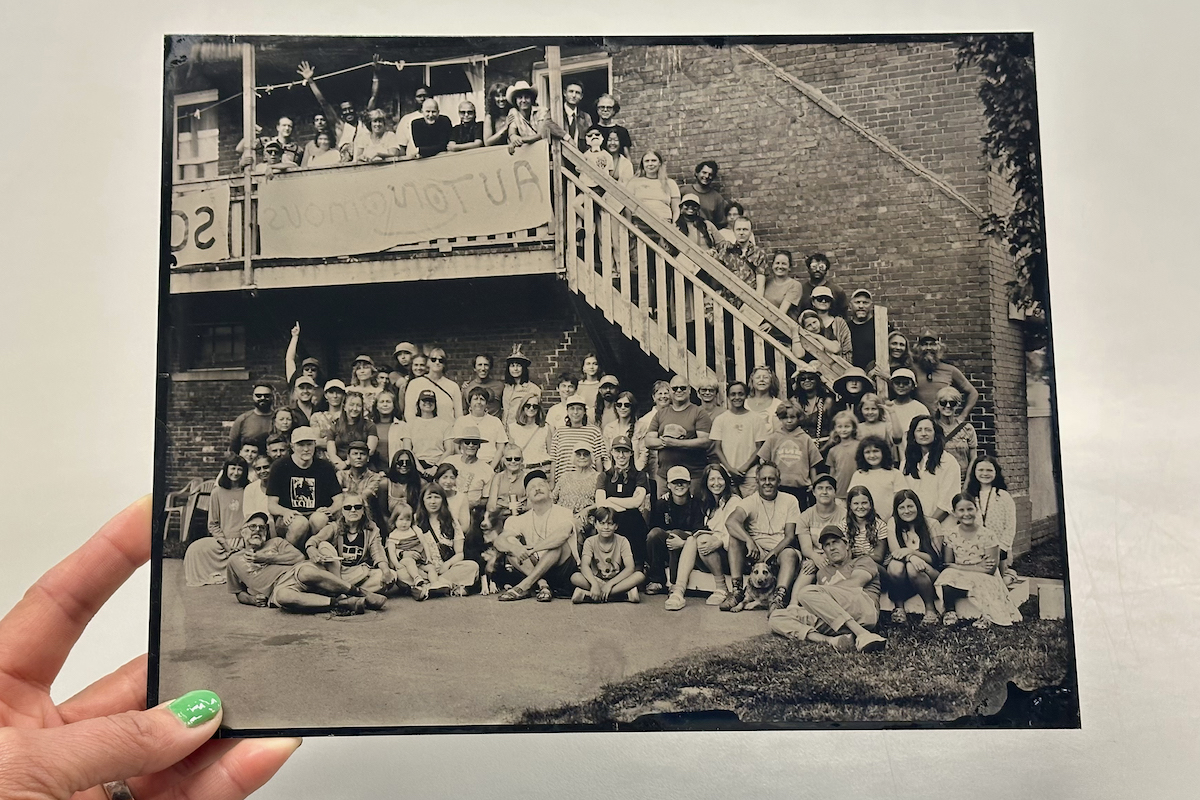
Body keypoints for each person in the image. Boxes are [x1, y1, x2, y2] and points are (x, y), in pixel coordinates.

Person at [0, 497, 302, 799]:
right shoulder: (237, 550)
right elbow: (236, 587)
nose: (257, 531)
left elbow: (293, 558)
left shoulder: (278, 546)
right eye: (253, 527)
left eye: (261, 528)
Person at [768, 525, 887, 653]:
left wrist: (822, 594)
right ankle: (831, 640)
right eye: (827, 545)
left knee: (806, 592)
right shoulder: (822, 573)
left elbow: (855, 583)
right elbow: (824, 604)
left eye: (835, 542)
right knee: (776, 617)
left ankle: (863, 634)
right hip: (834, 620)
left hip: (864, 609)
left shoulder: (862, 561)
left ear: (846, 544)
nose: (832, 547)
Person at [721, 462, 802, 612]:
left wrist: (774, 552)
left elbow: (790, 536)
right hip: (756, 551)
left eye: (771, 479)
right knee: (734, 538)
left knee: (790, 553)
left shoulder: (790, 500)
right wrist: (749, 541)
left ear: (779, 480)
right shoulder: (750, 501)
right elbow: (731, 522)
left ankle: (778, 598)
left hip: (780, 550)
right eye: (763, 479)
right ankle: (738, 591)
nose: (767, 483)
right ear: (757, 481)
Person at [935, 493, 1022, 627]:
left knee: (983, 581)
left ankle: (987, 615)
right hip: (962, 575)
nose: (966, 514)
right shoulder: (951, 534)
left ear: (977, 509)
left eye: (970, 509)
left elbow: (990, 569)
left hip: (984, 576)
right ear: (954, 512)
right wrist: (976, 565)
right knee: (947, 576)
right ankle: (950, 611)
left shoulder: (988, 535)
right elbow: (948, 564)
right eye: (961, 510)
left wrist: (959, 566)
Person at [495, 470, 579, 602]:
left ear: (549, 489)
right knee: (510, 543)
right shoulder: (520, 519)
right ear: (527, 495)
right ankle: (542, 584)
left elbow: (562, 535)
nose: (537, 489)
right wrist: (514, 548)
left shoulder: (564, 512)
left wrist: (533, 549)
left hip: (561, 571)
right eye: (532, 487)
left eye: (541, 485)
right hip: (534, 567)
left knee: (557, 546)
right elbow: (499, 541)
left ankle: (524, 586)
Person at [665, 464, 740, 610]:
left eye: (720, 479)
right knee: (693, 539)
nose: (716, 483)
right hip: (706, 552)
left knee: (701, 539)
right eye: (712, 479)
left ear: (726, 480)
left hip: (729, 555)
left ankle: (721, 587)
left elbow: (738, 534)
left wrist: (718, 542)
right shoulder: (707, 503)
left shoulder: (734, 502)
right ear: (706, 482)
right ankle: (678, 592)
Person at [305, 493, 396, 597]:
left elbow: (378, 553)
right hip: (336, 572)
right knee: (324, 546)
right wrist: (310, 548)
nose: (353, 510)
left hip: (357, 573)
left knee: (392, 574)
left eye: (357, 507)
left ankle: (344, 592)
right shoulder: (334, 527)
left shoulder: (372, 530)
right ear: (342, 511)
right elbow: (314, 540)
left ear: (363, 511)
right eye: (348, 507)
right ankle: (345, 590)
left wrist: (386, 571)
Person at [266, 426, 343, 548]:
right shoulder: (280, 467)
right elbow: (272, 505)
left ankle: (319, 556)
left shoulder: (325, 467)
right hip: (290, 517)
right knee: (300, 523)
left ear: (315, 444)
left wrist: (330, 510)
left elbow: (339, 499)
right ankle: (290, 557)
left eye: (309, 444)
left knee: (320, 519)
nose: (306, 449)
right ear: (292, 447)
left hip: (315, 514)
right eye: (301, 445)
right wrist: (285, 512)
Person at [183, 455, 248, 587]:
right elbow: (213, 524)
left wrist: (245, 540)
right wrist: (226, 545)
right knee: (194, 549)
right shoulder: (217, 492)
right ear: (226, 469)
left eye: (239, 469)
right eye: (232, 468)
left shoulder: (249, 490)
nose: (235, 473)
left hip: (245, 540)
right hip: (223, 541)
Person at [297, 57, 380, 159]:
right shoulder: (340, 126)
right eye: (345, 110)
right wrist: (310, 81)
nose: (348, 112)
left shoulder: (364, 124)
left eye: (350, 109)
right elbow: (324, 103)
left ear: (355, 111)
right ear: (341, 114)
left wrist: (376, 74)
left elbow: (373, 97)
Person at [646, 373, 712, 497]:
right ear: (670, 391)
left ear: (689, 390)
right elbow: (649, 441)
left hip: (693, 477)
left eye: (682, 388)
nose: (679, 391)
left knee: (693, 512)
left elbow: (705, 441)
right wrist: (668, 442)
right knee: (664, 511)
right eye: (675, 388)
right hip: (665, 477)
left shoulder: (699, 412)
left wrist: (676, 443)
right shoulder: (661, 414)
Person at [885, 489, 944, 625]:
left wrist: (911, 553)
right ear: (896, 510)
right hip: (904, 576)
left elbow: (935, 559)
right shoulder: (893, 523)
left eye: (910, 506)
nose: (907, 511)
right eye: (902, 507)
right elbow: (896, 552)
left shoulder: (932, 524)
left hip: (929, 574)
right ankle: (899, 607)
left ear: (917, 506)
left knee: (913, 568)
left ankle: (930, 609)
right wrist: (911, 557)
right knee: (895, 566)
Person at [645, 466, 706, 596]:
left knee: (676, 533)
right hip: (667, 544)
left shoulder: (697, 503)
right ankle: (656, 579)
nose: (679, 485)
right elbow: (655, 528)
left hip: (689, 546)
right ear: (668, 485)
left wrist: (683, 540)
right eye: (675, 482)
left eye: (683, 482)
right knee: (654, 534)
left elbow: (699, 531)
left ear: (689, 484)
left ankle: (674, 583)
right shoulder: (662, 503)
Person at [593, 435, 650, 572]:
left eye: (625, 451)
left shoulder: (639, 475)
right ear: (612, 452)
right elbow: (601, 503)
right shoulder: (604, 476)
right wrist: (625, 503)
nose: (621, 455)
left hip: (632, 523)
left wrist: (611, 500)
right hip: (610, 522)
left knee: (631, 518)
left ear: (631, 453)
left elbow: (636, 502)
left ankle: (636, 567)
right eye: (617, 451)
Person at [755, 399, 824, 508]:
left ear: (799, 418)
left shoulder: (805, 438)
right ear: (780, 418)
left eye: (792, 417)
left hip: (800, 487)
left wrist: (813, 484)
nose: (789, 421)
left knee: (799, 515)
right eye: (785, 418)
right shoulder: (774, 438)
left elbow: (813, 464)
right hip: (778, 486)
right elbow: (764, 462)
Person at [415, 483, 480, 596]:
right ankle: (441, 586)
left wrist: (447, 564)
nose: (433, 502)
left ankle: (431, 587)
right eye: (429, 497)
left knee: (472, 566)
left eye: (437, 497)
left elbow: (460, 553)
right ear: (423, 501)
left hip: (446, 570)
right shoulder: (415, 520)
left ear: (443, 500)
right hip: (424, 570)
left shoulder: (451, 521)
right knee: (405, 573)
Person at [571, 505, 645, 603]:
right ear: (595, 525)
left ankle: (589, 595)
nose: (606, 527)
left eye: (610, 524)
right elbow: (585, 565)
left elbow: (630, 568)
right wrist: (594, 584)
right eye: (602, 523)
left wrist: (609, 584)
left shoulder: (622, 541)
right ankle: (623, 595)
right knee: (575, 577)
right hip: (596, 579)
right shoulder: (590, 541)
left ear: (616, 526)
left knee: (639, 576)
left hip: (617, 581)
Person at [709, 380, 769, 498]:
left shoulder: (756, 419)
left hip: (750, 475)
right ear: (728, 396)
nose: (737, 397)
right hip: (727, 474)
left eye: (740, 394)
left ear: (746, 395)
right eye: (733, 394)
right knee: (730, 509)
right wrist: (730, 469)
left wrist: (743, 469)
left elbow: (760, 448)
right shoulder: (720, 419)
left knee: (750, 509)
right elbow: (717, 448)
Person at [965, 454, 1019, 583]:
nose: (985, 473)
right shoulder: (969, 496)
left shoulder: (1003, 496)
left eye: (989, 470)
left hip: (998, 548)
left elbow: (1010, 525)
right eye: (981, 470)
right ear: (974, 472)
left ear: (996, 472)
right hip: (975, 548)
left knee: (998, 582)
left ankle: (1008, 574)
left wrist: (1003, 548)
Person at [902, 416, 961, 523]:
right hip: (913, 525)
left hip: (941, 525)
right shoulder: (906, 463)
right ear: (913, 435)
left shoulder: (948, 462)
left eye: (928, 430)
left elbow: (947, 503)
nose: (923, 433)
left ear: (935, 435)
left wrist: (928, 525)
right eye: (919, 430)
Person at [912, 329, 981, 422]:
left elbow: (973, 393)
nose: (928, 348)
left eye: (932, 344)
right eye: (924, 344)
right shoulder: (911, 370)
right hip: (919, 426)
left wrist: (962, 417)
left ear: (939, 347)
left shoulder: (950, 370)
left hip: (943, 425)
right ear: (918, 348)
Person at [385, 501, 441, 600]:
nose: (404, 523)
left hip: (420, 559)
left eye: (407, 520)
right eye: (401, 519)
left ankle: (435, 585)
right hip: (405, 561)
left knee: (431, 568)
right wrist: (396, 564)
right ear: (395, 520)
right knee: (409, 562)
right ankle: (416, 578)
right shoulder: (394, 534)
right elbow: (392, 552)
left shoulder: (415, 529)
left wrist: (428, 557)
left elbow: (424, 543)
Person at [548, 394, 606, 486]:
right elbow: (554, 460)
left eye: (579, 408)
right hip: (563, 482)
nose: (575, 412)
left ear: (584, 412)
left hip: (587, 483)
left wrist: (600, 483)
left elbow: (598, 459)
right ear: (567, 411)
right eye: (572, 408)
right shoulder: (559, 432)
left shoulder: (594, 432)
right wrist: (552, 482)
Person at [847, 435, 906, 522]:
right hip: (865, 522)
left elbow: (902, 499)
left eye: (876, 451)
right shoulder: (858, 475)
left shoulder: (895, 473)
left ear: (883, 452)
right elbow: (851, 500)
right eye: (867, 452)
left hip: (892, 521)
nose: (872, 455)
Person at [795, 473, 847, 569]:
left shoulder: (845, 515)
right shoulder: (805, 516)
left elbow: (845, 544)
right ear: (814, 492)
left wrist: (823, 559)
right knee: (801, 583)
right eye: (820, 488)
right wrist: (816, 558)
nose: (824, 492)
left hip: (838, 559)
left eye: (829, 488)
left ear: (835, 492)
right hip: (813, 559)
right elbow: (806, 548)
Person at [451, 386, 508, 467]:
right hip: (466, 464)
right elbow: (456, 447)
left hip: (489, 463)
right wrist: (464, 465)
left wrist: (491, 468)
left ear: (486, 404)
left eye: (482, 399)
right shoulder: (461, 421)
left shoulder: (495, 421)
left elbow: (501, 447)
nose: (479, 402)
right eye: (475, 399)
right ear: (469, 403)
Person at [440, 428, 493, 515]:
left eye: (475, 443)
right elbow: (438, 486)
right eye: (467, 442)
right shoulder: (449, 461)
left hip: (471, 512)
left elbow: (486, 499)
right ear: (461, 444)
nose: (471, 445)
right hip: (446, 508)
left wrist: (470, 505)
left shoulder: (487, 469)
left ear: (479, 446)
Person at [627, 149, 681, 234]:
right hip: (640, 224)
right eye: (647, 161)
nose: (650, 164)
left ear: (659, 163)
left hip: (664, 224)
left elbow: (676, 209)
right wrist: (629, 226)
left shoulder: (670, 183)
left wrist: (674, 225)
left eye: (654, 161)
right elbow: (628, 207)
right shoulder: (634, 182)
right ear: (643, 164)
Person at [336, 440, 388, 528]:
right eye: (355, 454)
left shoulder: (374, 477)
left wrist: (345, 495)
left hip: (366, 519)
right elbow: (336, 497)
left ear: (368, 458)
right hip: (343, 517)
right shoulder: (341, 474)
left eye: (362, 454)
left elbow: (363, 496)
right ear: (348, 458)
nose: (358, 457)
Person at [404, 346, 461, 422]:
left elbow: (459, 415)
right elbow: (409, 412)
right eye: (433, 359)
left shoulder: (453, 386)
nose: (437, 362)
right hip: (422, 430)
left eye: (441, 360)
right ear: (428, 362)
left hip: (448, 430)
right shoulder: (415, 384)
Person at [935, 386, 980, 481]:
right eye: (943, 402)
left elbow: (973, 459)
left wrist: (967, 483)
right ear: (937, 405)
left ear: (958, 405)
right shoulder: (932, 428)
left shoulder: (967, 429)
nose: (947, 406)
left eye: (952, 403)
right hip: (940, 479)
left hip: (962, 480)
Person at [327, 391, 378, 471]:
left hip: (364, 467)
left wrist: (347, 463)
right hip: (340, 467)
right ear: (344, 407)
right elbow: (332, 453)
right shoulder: (334, 427)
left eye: (358, 406)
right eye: (351, 405)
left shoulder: (370, 426)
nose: (354, 408)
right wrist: (340, 465)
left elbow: (370, 451)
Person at [408, 389, 453, 480]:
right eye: (424, 400)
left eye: (431, 401)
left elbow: (449, 450)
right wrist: (420, 469)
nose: (428, 403)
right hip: (416, 465)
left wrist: (435, 467)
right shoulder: (410, 424)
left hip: (439, 465)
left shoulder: (445, 425)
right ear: (418, 403)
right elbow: (408, 450)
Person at [841, 485, 888, 568]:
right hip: (852, 566)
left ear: (870, 504)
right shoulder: (843, 526)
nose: (860, 507)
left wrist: (855, 559)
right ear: (850, 506)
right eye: (856, 503)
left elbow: (878, 557)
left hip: (876, 567)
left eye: (864, 503)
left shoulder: (880, 525)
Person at [552, 444, 602, 518]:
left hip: (583, 518)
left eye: (586, 455)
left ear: (591, 458)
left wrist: (586, 510)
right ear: (573, 458)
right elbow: (552, 499)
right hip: (561, 516)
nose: (582, 457)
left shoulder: (598, 477)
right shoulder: (565, 476)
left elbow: (601, 502)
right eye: (578, 455)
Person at [885, 367, 930, 449]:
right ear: (892, 385)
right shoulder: (888, 407)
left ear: (913, 386)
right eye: (897, 383)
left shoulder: (920, 408)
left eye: (906, 383)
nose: (901, 386)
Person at [504, 80, 554, 154]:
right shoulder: (513, 112)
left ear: (531, 99)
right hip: (527, 153)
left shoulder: (541, 111)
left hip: (544, 151)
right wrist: (513, 137)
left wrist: (520, 140)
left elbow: (540, 135)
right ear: (516, 100)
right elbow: (512, 133)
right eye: (520, 97)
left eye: (526, 97)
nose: (523, 100)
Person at [790, 363, 833, 446]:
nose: (807, 381)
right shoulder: (794, 401)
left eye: (811, 378)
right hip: (800, 445)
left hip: (823, 445)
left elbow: (833, 429)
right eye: (803, 379)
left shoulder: (827, 401)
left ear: (817, 381)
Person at [633, 379, 671, 474]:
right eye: (660, 393)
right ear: (654, 397)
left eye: (666, 393)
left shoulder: (676, 416)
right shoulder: (644, 420)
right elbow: (639, 447)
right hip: (653, 467)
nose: (663, 396)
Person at [508, 391, 552, 471]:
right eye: (528, 405)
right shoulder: (513, 428)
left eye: (535, 406)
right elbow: (511, 454)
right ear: (523, 407)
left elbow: (551, 454)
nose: (531, 408)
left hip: (543, 469)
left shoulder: (545, 428)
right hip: (522, 471)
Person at [796, 253, 849, 319]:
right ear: (808, 269)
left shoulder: (837, 291)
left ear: (826, 270)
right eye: (814, 267)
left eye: (821, 267)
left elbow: (843, 315)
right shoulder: (800, 290)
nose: (817, 270)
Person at [228, 383, 275, 456]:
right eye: (258, 396)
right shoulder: (243, 419)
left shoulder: (278, 418)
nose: (262, 398)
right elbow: (233, 447)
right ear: (253, 397)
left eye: (267, 396)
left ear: (272, 397)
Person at [487, 443, 530, 519]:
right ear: (504, 460)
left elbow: (531, 506)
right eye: (509, 459)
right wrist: (508, 505)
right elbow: (491, 506)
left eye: (517, 459)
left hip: (521, 517)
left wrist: (520, 508)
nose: (513, 462)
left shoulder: (526, 477)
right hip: (499, 518)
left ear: (522, 460)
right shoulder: (498, 477)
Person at [823, 411, 860, 498]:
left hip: (858, 490)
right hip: (840, 492)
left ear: (853, 427)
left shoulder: (860, 446)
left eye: (847, 426)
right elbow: (832, 474)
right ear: (835, 428)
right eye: (839, 427)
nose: (843, 430)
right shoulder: (833, 450)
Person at [501, 344, 539, 426]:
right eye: (512, 366)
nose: (515, 369)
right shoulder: (506, 387)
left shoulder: (532, 388)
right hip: (505, 430)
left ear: (524, 368)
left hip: (522, 428)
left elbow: (535, 413)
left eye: (518, 366)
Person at [809, 286, 851, 359]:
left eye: (827, 299)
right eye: (819, 299)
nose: (823, 301)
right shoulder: (807, 321)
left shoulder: (839, 322)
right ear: (813, 302)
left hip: (837, 365)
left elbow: (847, 348)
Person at [846, 288, 882, 373]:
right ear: (850, 305)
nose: (861, 306)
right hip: (851, 376)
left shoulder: (881, 325)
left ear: (871, 306)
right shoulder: (845, 327)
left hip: (876, 376)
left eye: (865, 303)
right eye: (857, 302)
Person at [373, 389, 409, 472]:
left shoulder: (402, 426)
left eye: (388, 402)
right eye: (382, 402)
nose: (385, 404)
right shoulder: (370, 425)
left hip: (397, 471)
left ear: (394, 405)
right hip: (375, 472)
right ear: (376, 406)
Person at [385, 448, 424, 525]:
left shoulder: (421, 483)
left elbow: (422, 512)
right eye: (400, 462)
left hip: (414, 526)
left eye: (408, 462)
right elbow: (383, 513)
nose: (404, 465)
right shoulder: (385, 484)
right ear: (394, 464)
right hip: (391, 526)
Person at [686, 160, 729, 227]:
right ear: (697, 173)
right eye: (704, 172)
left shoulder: (717, 198)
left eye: (710, 174)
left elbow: (720, 223)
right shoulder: (684, 191)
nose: (706, 176)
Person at [461, 353, 505, 418]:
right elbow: (464, 411)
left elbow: (506, 409)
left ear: (490, 367)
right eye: (480, 365)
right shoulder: (467, 387)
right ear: (474, 368)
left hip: (494, 426)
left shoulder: (500, 386)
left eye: (486, 365)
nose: (483, 368)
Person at [394, 84, 432, 157]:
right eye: (419, 96)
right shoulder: (407, 119)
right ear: (414, 99)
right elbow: (401, 146)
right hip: (413, 160)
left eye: (425, 96)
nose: (422, 99)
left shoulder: (437, 117)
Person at [762, 250, 804, 317]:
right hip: (763, 323)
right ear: (772, 265)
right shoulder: (766, 282)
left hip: (782, 324)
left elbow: (782, 312)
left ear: (789, 267)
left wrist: (770, 324)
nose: (780, 266)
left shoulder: (794, 285)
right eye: (777, 263)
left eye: (784, 263)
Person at [601, 390, 637, 467]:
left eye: (626, 405)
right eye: (619, 405)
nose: (622, 408)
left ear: (632, 407)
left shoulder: (641, 427)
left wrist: (636, 473)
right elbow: (605, 454)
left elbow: (643, 454)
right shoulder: (609, 428)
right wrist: (611, 472)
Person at [745, 365, 782, 431]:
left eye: (765, 377)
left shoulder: (778, 404)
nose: (761, 380)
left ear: (771, 381)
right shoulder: (744, 404)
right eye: (758, 377)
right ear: (752, 381)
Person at [545, 371, 579, 435]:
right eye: (563, 386)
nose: (567, 389)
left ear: (575, 390)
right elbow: (550, 435)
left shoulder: (581, 409)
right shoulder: (553, 410)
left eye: (570, 386)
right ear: (557, 388)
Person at [562, 80, 593, 150]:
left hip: (579, 157)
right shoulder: (557, 113)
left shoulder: (586, 117)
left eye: (577, 93)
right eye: (571, 91)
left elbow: (590, 140)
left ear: (581, 96)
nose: (574, 95)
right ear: (564, 93)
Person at [388, 341, 419, 407]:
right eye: (399, 354)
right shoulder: (394, 374)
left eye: (406, 353)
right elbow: (407, 387)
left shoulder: (420, 372)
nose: (403, 357)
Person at [483, 81, 512, 146]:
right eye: (497, 96)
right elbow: (487, 142)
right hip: (497, 152)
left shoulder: (512, 112)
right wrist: (504, 128)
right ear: (493, 98)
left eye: (504, 95)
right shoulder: (490, 117)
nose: (501, 99)